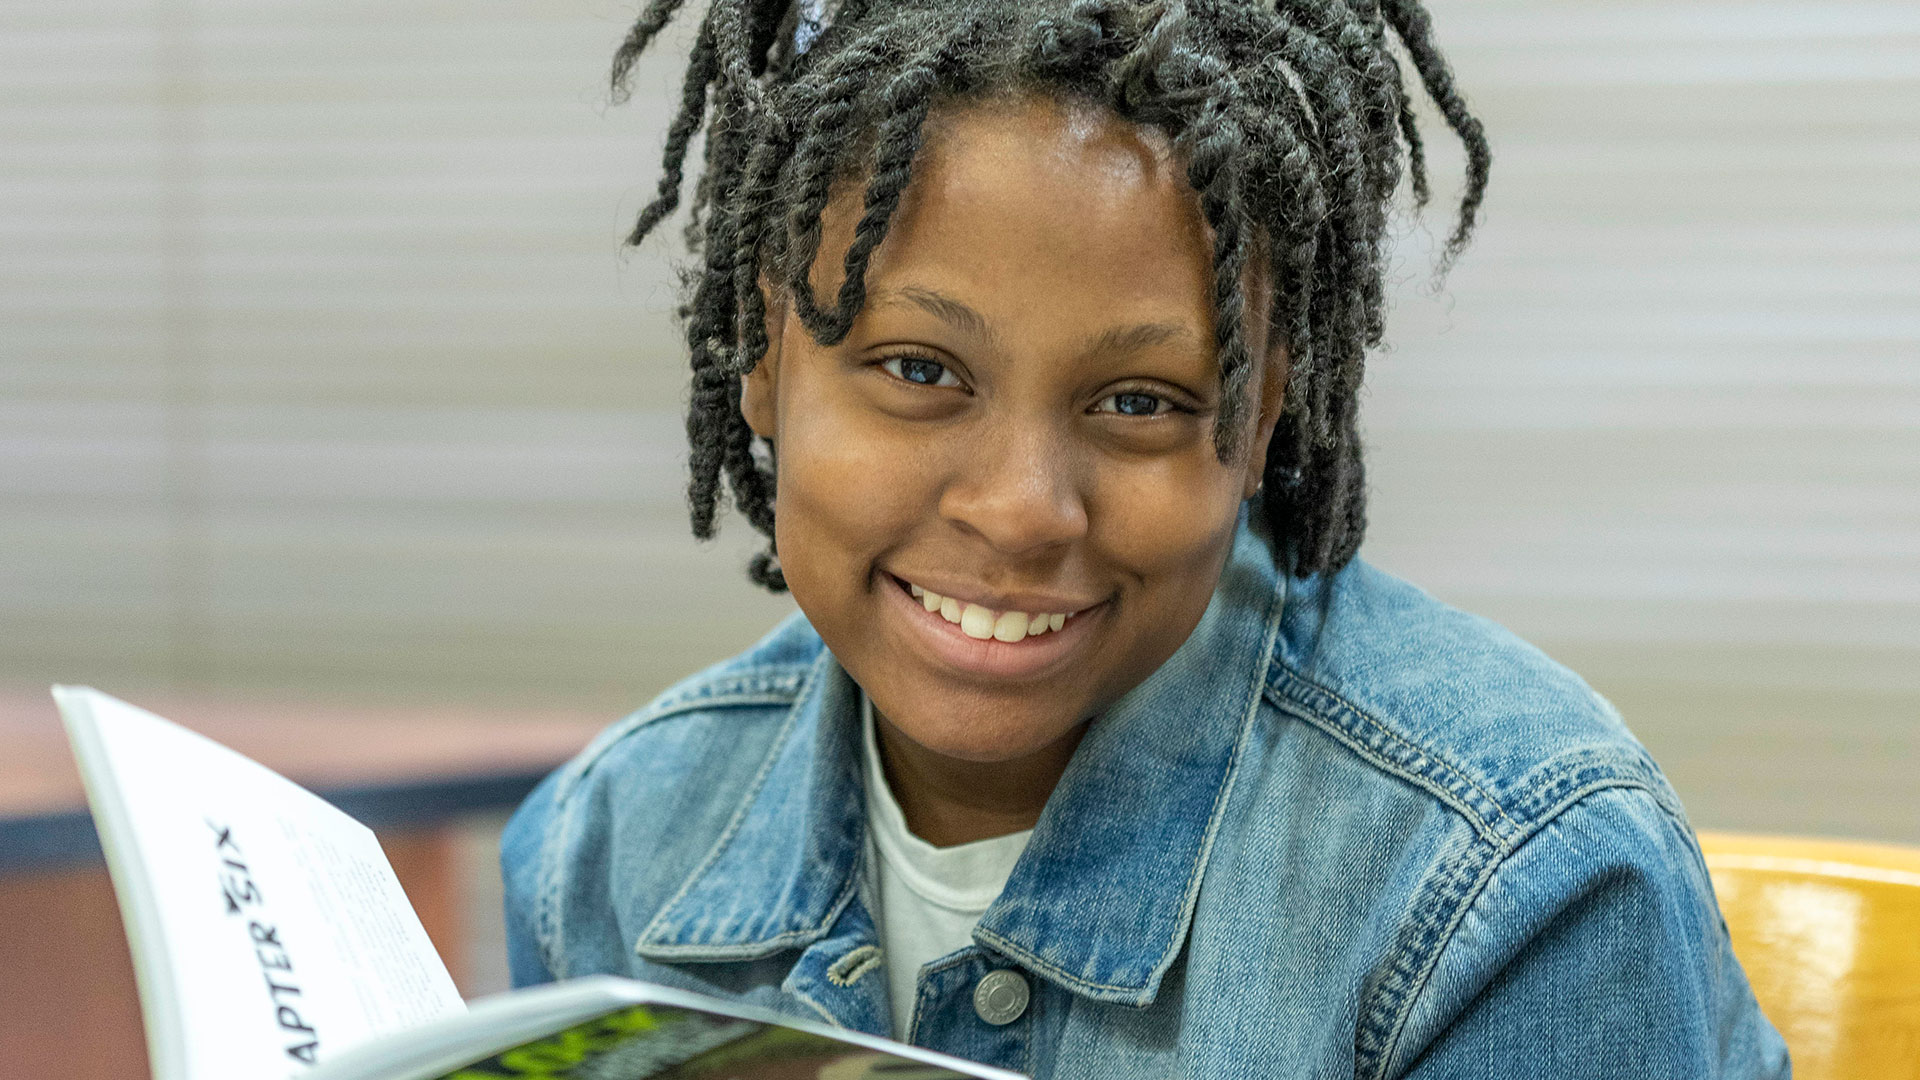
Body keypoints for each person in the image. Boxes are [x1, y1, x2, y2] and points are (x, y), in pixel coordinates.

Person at [502, 0, 1792, 1075]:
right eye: (917, 368)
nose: (1020, 509)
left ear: (1260, 410)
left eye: (1140, 403)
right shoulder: (605, 849)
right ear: (765, 356)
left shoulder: (1513, 888)